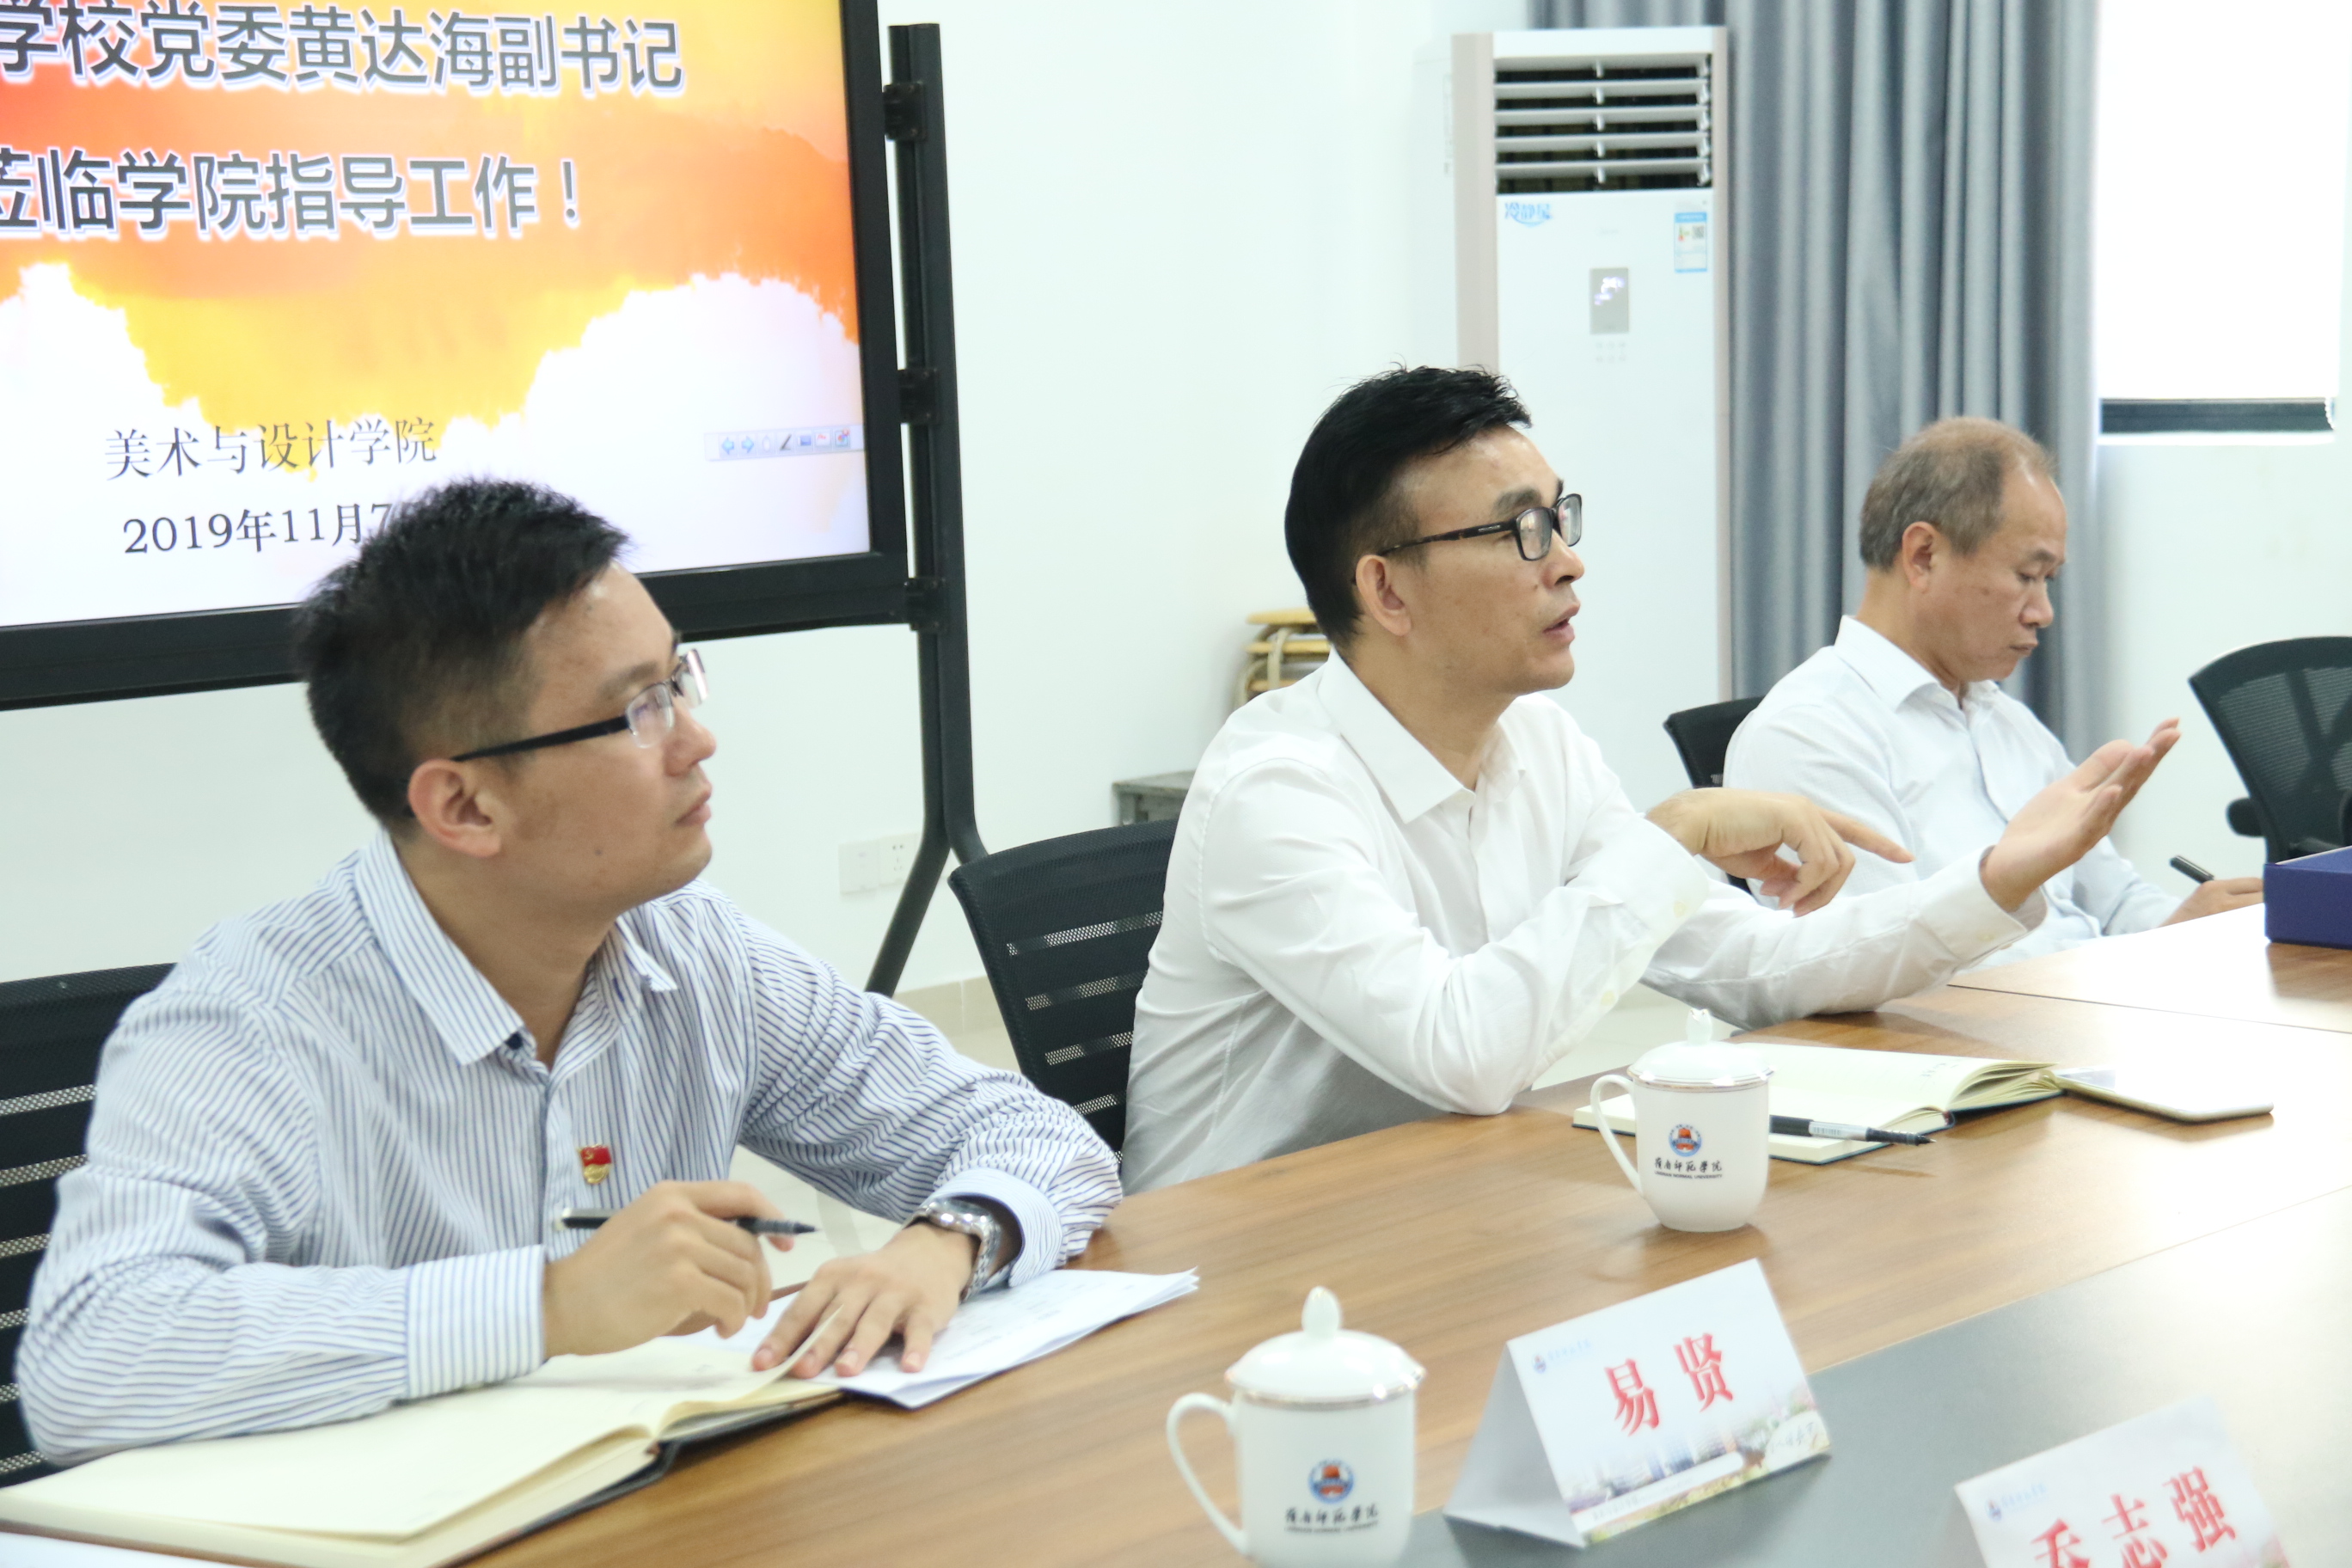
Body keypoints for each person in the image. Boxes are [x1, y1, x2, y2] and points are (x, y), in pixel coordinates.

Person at [21, 481, 1119, 1463]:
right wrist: (547, 1305)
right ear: (464, 806)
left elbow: (1038, 1137)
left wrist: (948, 1242)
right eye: (638, 710)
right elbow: (92, 1359)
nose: (695, 740)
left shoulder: (692, 948)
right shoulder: (247, 1021)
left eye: (679, 679)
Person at [1122, 369, 2177, 1192]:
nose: (1567, 561)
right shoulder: (1277, 791)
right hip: (1240, 1273)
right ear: (1387, 591)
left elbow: (1759, 967)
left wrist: (1993, 880)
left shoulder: (1540, 745)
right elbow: (1465, 1053)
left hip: (1437, 1207)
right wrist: (1670, 839)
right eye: (1520, 531)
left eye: (1561, 519)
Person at [1724, 416, 2260, 970]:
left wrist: (2188, 924)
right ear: (1924, 556)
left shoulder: (2004, 719)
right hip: (1991, 1020)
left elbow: (2114, 899)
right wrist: (2131, 962)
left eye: (2049, 581)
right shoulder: (1810, 733)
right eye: (2027, 575)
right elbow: (1882, 968)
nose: (2043, 613)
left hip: (2082, 996)